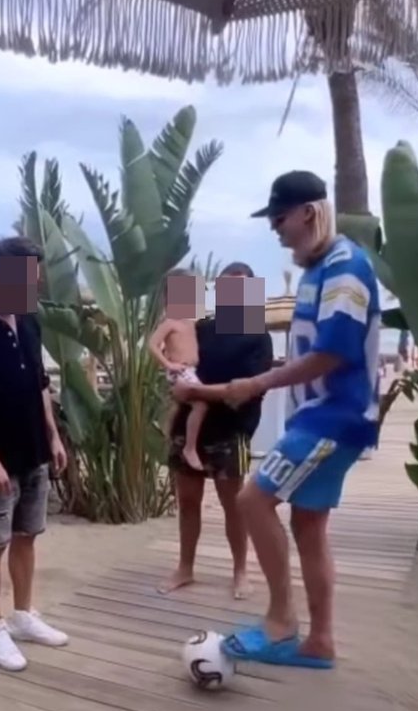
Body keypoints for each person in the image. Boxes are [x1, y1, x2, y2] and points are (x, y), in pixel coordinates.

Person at [183, 172, 381, 668]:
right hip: (318, 419)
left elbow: (332, 353)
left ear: (308, 213)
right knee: (308, 525)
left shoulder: (345, 268)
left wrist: (255, 384)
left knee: (253, 500)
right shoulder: (317, 271)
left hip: (333, 419)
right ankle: (320, 642)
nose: (274, 229)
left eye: (279, 218)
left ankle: (280, 622)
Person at [0, 237, 69, 672]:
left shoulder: (28, 321)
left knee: (27, 535)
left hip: (34, 450)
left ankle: (24, 615)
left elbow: (41, 383)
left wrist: (54, 437)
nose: (33, 289)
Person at [159, 261, 273, 599]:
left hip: (231, 431)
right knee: (187, 502)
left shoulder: (258, 335)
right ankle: (185, 568)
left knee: (233, 505)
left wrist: (197, 392)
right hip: (190, 428)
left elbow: (249, 390)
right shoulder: (201, 327)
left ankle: (240, 571)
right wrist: (176, 386)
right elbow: (179, 362)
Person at [149, 269, 208, 471]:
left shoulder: (191, 322)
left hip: (190, 369)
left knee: (179, 406)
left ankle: (168, 433)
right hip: (180, 370)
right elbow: (152, 345)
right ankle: (190, 448)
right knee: (201, 404)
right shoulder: (170, 323)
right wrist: (168, 364)